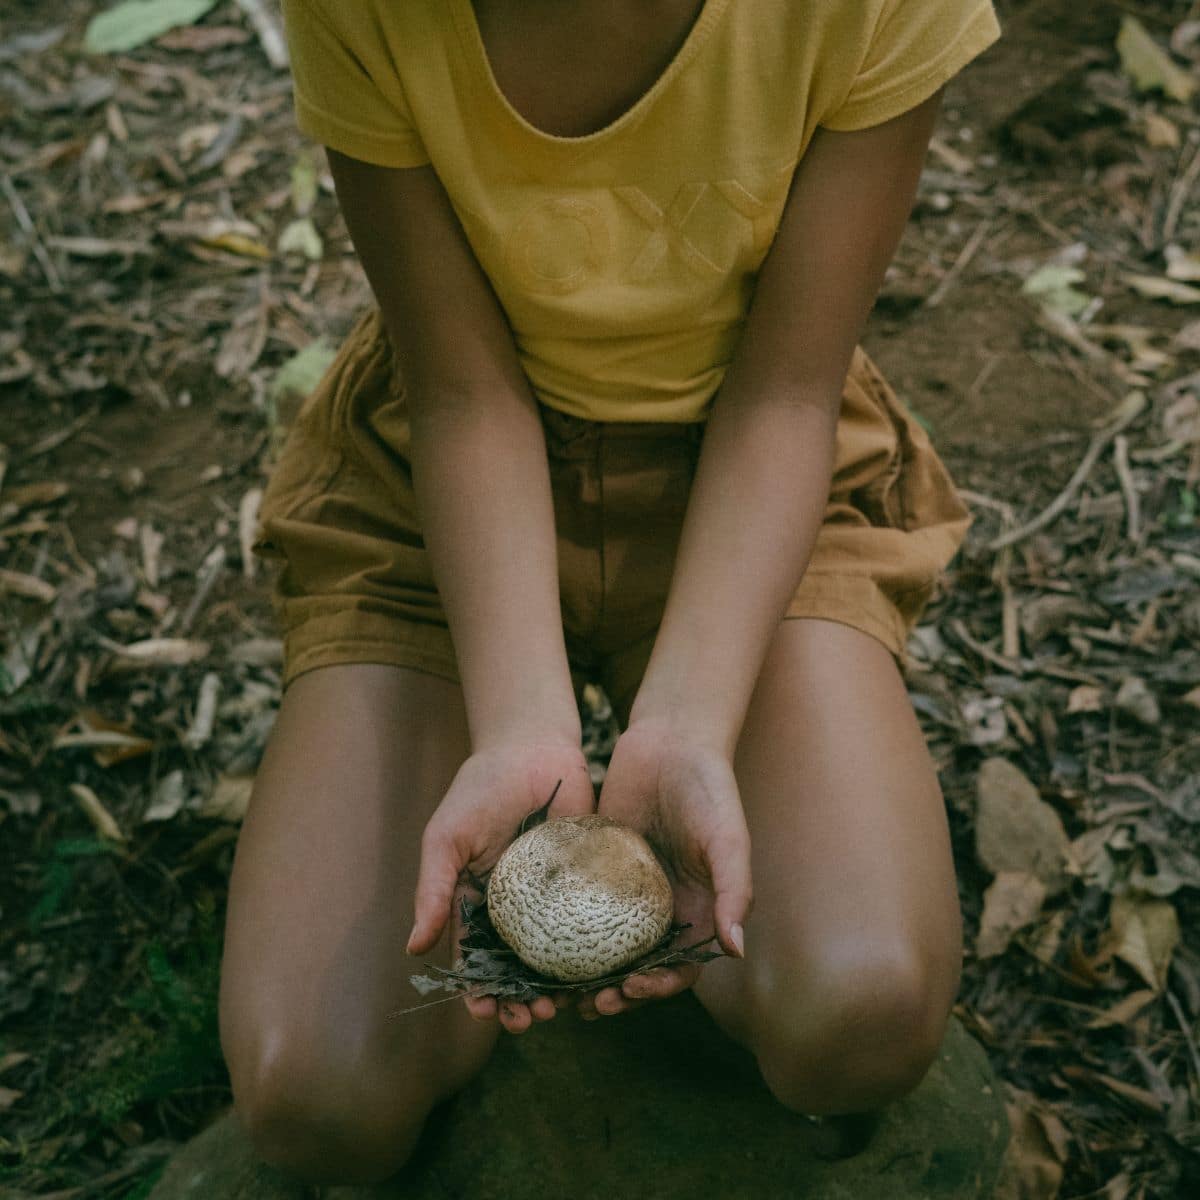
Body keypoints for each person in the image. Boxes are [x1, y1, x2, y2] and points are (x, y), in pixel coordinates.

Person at [217, 0, 1001, 1186]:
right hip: (441, 494)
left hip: (750, 472)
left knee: (859, 1010)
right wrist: (523, 728)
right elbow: (461, 394)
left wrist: (689, 726)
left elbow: (790, 391)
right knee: (317, 1095)